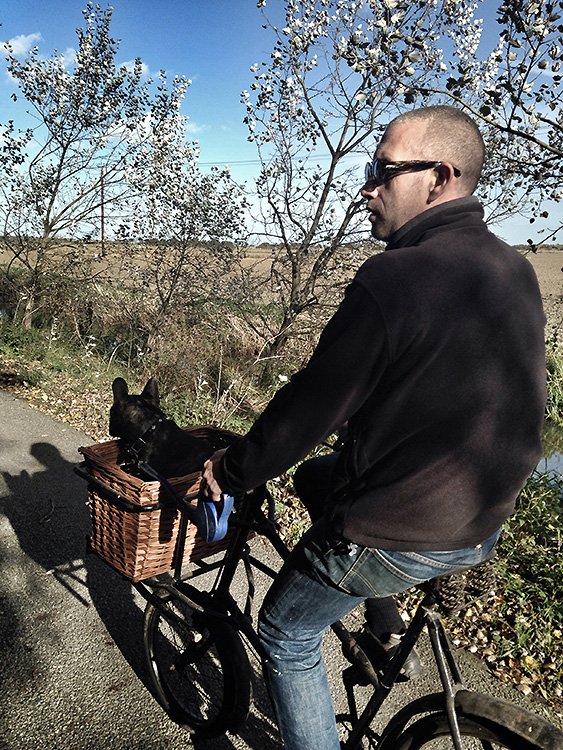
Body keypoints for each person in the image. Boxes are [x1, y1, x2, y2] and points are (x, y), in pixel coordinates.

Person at [202, 105, 546, 750]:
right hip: (479, 516)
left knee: (285, 632)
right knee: (315, 476)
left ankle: (366, 600)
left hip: (401, 525)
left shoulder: (397, 275)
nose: (367, 187)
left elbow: (312, 405)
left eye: (383, 170)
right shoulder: (513, 268)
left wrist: (232, 469)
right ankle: (381, 612)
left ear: (439, 177)